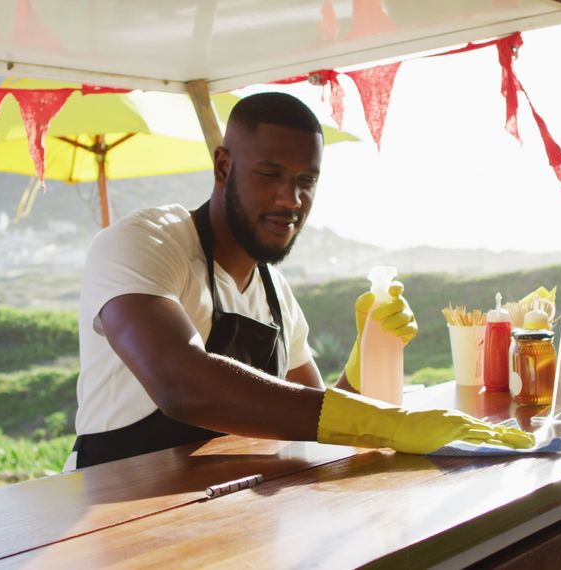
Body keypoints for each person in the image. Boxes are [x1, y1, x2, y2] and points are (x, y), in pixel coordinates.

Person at [65, 92, 532, 470]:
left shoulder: (274, 293)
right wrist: (391, 422)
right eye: (271, 174)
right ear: (223, 166)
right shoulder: (145, 243)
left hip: (216, 515)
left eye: (307, 180)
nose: (291, 199)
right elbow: (180, 383)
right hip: (109, 511)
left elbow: (314, 418)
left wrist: (364, 359)